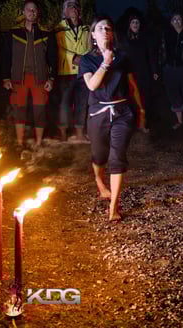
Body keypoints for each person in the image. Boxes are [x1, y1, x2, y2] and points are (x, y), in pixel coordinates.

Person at [78, 16, 134, 222]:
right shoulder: (87, 60)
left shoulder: (123, 57)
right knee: (99, 155)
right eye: (100, 28)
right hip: (98, 112)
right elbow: (92, 85)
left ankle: (114, 206)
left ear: (112, 34)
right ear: (93, 35)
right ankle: (100, 182)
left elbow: (132, 84)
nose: (104, 31)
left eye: (108, 28)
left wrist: (141, 108)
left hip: (122, 112)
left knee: (117, 156)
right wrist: (105, 63)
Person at [2, 0, 57, 149]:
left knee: (40, 110)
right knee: (19, 109)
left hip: (40, 78)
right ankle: (20, 142)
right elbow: (6, 56)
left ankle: (38, 143)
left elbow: (53, 57)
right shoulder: (14, 33)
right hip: (18, 78)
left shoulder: (46, 33)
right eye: (28, 9)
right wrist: (6, 77)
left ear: (37, 13)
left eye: (34, 10)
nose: (31, 12)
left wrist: (51, 79)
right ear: (23, 12)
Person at [55, 0, 91, 142]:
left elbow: (90, 47)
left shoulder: (86, 28)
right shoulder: (59, 28)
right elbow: (58, 48)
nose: (73, 9)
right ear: (64, 11)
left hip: (83, 71)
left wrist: (86, 60)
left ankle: (79, 133)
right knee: (64, 103)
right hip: (66, 71)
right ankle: (63, 133)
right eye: (70, 7)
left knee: (82, 102)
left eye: (76, 7)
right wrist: (73, 57)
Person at [121, 15, 158, 133]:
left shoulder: (145, 38)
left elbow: (151, 55)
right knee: (133, 98)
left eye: (137, 22)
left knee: (145, 97)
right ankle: (133, 123)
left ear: (140, 25)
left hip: (144, 72)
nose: (135, 24)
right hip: (130, 73)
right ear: (129, 25)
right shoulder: (125, 40)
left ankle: (142, 123)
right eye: (133, 22)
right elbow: (122, 57)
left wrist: (154, 71)